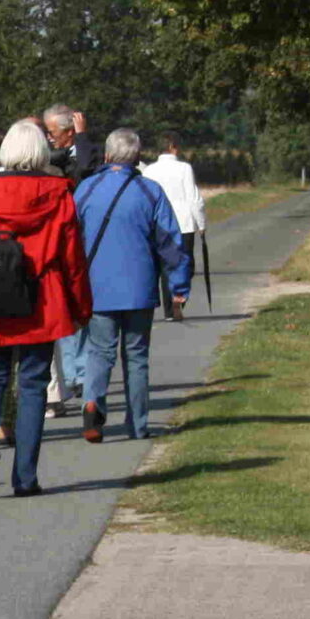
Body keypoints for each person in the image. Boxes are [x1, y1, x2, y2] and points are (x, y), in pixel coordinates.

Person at [0, 118, 90, 498]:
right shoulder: (59, 193)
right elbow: (73, 259)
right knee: (32, 386)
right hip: (42, 300)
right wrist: (82, 307)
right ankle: (25, 477)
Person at [74, 129, 191, 443]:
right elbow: (170, 242)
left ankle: (92, 403)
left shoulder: (86, 188)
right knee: (136, 357)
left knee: (99, 352)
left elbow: (71, 236)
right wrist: (179, 285)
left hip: (97, 286)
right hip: (139, 286)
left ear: (107, 155)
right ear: (137, 157)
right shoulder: (150, 191)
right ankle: (137, 424)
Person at [37, 103, 95, 414]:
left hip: (83, 237)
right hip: (61, 239)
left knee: (81, 306)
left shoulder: (87, 152)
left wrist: (82, 139)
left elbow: (85, 170)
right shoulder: (51, 157)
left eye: (52, 132)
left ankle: (81, 373)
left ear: (69, 132)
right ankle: (71, 374)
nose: (49, 138)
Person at [141, 135, 208, 319]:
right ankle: (178, 298)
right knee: (185, 265)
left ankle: (169, 311)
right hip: (183, 224)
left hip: (159, 225)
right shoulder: (184, 168)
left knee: (164, 267)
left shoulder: (149, 171)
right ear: (172, 147)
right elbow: (193, 198)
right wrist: (201, 224)